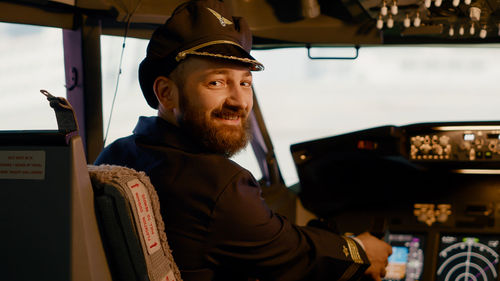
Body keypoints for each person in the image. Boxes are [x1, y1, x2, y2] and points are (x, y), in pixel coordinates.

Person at [95, 0, 392, 280]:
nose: (239, 100)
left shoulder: (115, 155)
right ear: (166, 93)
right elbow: (295, 255)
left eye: (245, 83)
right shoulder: (219, 185)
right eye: (217, 82)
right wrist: (362, 251)